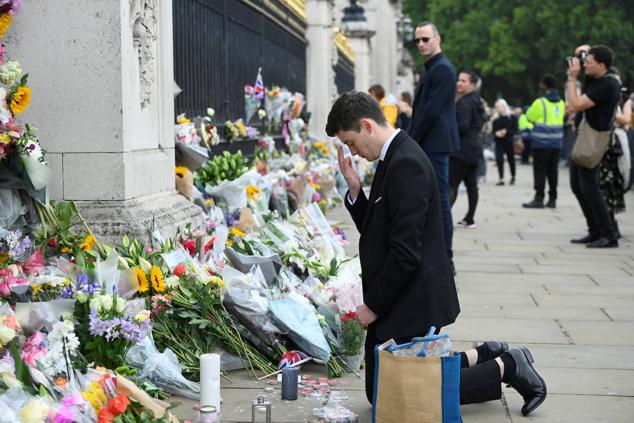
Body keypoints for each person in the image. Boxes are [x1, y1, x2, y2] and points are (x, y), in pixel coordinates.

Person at [327, 91, 547, 416]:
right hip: (403, 293)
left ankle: (506, 366)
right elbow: (381, 232)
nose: (353, 152)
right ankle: (484, 354)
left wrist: (373, 307)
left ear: (366, 125)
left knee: (392, 390)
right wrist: (357, 192)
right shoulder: (394, 157)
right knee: (385, 384)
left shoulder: (406, 164)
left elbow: (404, 254)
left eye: (351, 142)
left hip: (412, 297)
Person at [407, 21, 459, 270]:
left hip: (435, 143)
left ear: (438, 39)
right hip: (430, 141)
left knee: (439, 200)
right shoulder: (431, 68)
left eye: (425, 39)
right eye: (417, 40)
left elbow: (432, 112)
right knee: (431, 199)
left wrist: (410, 139)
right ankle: (436, 253)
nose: (421, 44)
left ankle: (446, 258)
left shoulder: (443, 69)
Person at [567, 45, 621, 248]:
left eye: (588, 61)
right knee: (578, 186)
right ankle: (595, 230)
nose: (584, 64)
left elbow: (574, 105)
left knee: (590, 188)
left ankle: (608, 234)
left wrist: (572, 78)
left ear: (601, 65)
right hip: (585, 137)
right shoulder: (598, 80)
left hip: (593, 140)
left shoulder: (607, 84)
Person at [449, 70, 486, 228]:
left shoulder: (464, 102)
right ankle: (470, 218)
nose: (459, 83)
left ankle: (444, 217)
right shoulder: (477, 100)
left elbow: (462, 125)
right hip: (475, 147)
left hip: (462, 150)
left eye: (464, 81)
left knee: (451, 184)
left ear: (472, 84)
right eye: (459, 80)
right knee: (471, 185)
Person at [522, 75, 566, 209]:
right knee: (553, 171)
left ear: (544, 85)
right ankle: (553, 199)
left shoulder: (540, 102)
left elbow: (529, 116)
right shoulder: (561, 102)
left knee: (540, 171)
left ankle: (539, 198)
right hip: (557, 142)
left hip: (541, 142)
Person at [599, 70, 631, 237]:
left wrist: (610, 110)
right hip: (600, 143)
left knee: (614, 183)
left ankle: (611, 223)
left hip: (615, 145)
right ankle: (603, 223)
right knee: (600, 185)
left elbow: (626, 119)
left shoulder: (622, 99)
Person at [492, 99, 518, 185]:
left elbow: (515, 129)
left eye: (499, 106)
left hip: (509, 141)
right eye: (497, 107)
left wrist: (506, 131)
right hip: (499, 141)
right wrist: (497, 133)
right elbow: (493, 130)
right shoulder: (496, 118)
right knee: (499, 159)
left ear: (504, 106)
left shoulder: (512, 117)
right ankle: (501, 178)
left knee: (511, 159)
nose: (498, 108)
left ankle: (513, 176)